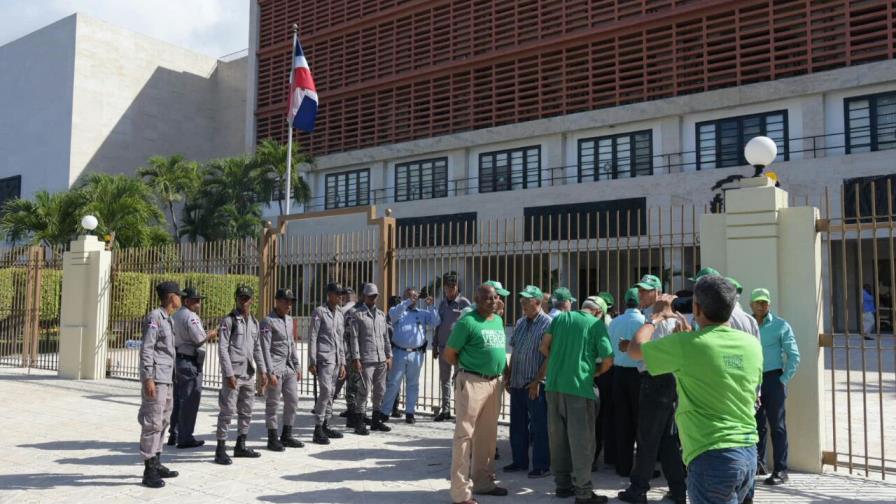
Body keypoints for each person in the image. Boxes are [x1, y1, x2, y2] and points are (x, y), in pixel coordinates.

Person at [627, 275, 763, 504]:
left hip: (712, 456)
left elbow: (634, 349)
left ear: (697, 307)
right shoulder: (751, 344)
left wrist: (655, 317)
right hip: (748, 451)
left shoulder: (686, 346)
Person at [540, 296, 613, 504]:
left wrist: (559, 362)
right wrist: (595, 373)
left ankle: (562, 486)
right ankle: (583, 492)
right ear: (599, 312)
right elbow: (608, 359)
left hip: (553, 386)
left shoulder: (561, 318)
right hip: (579, 389)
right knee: (582, 442)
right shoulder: (596, 325)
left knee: (558, 439)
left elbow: (544, 347)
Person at [444, 283, 510, 504]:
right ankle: (460, 493)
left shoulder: (498, 320)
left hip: (494, 383)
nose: (492, 301)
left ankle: (483, 482)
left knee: (488, 437)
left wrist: (504, 373)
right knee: (464, 437)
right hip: (472, 382)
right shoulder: (467, 322)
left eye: (494, 298)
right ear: (477, 299)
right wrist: (466, 370)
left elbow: (499, 351)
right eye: (486, 298)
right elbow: (450, 353)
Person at [618, 293, 687, 504]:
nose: (641, 294)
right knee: (667, 440)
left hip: (655, 378)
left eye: (646, 290)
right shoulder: (677, 319)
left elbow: (643, 349)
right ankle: (678, 489)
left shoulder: (655, 318)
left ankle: (639, 489)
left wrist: (631, 345)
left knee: (648, 439)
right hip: (669, 381)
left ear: (657, 295)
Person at [751, 288, 800, 484]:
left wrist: (783, 379)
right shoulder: (746, 324)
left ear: (769, 304)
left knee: (777, 426)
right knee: (755, 425)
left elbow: (794, 355)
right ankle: (758, 464)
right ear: (751, 304)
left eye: (764, 302)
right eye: (758, 302)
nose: (761, 305)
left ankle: (781, 470)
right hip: (753, 380)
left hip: (773, 380)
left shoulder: (781, 325)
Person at [214, 285, 268, 465]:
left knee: (247, 411)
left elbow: (258, 348)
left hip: (248, 374)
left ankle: (241, 445)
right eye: (241, 298)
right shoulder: (229, 321)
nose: (244, 301)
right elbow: (222, 348)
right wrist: (228, 373)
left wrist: (263, 370)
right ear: (236, 299)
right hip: (234, 375)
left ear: (252, 300)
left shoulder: (254, 322)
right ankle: (220, 448)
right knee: (227, 411)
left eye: (247, 298)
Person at [137, 281, 184, 488]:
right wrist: (148, 378)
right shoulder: (155, 317)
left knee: (163, 421)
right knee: (152, 423)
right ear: (171, 297)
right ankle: (148, 470)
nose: (180, 299)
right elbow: (147, 348)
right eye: (178, 295)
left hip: (167, 377)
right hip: (156, 378)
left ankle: (156, 461)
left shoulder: (169, 320)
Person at [504, 285, 552, 478]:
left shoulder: (549, 323)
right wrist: (509, 375)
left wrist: (538, 380)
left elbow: (550, 356)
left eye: (527, 300)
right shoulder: (521, 322)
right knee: (517, 425)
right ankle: (519, 461)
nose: (522, 303)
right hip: (517, 382)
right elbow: (514, 351)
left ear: (538, 302)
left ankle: (541, 465)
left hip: (535, 385)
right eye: (522, 300)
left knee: (540, 427)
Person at [611, 281, 653, 477]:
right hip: (638, 375)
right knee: (641, 422)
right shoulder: (645, 323)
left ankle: (623, 466)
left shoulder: (614, 322)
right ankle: (643, 469)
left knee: (621, 421)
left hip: (618, 374)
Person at [382, 287, 440, 424]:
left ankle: (410, 413)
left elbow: (436, 322)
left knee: (413, 384)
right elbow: (393, 315)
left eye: (415, 296)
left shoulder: (422, 313)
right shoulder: (397, 310)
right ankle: (385, 412)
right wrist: (407, 302)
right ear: (404, 297)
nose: (413, 299)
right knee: (393, 383)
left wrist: (431, 306)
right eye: (410, 296)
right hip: (399, 352)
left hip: (417, 354)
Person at [170, 286, 214, 449]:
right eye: (196, 300)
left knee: (178, 399)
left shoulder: (176, 315)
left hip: (178, 359)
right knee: (189, 400)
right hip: (189, 362)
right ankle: (185, 437)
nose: (199, 303)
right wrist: (211, 333)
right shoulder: (191, 317)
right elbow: (198, 340)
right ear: (187, 301)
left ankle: (173, 433)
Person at [261, 288, 304, 451]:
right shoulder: (268, 321)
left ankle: (287, 434)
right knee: (273, 403)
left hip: (289, 368)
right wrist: (269, 372)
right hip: (276, 368)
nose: (289, 304)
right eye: (285, 301)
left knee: (292, 400)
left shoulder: (289, 319)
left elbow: (291, 344)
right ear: (277, 301)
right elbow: (265, 348)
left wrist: (297, 365)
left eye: (291, 301)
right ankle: (272, 437)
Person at [347, 283, 393, 434]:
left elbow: (386, 337)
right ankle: (359, 422)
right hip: (366, 359)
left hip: (381, 358)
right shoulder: (357, 315)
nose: (373, 298)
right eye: (370, 296)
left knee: (380, 390)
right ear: (364, 297)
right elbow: (353, 338)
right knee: (364, 391)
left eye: (375, 296)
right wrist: (356, 358)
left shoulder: (381, 315)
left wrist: (389, 355)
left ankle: (376, 420)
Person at [309, 282, 348, 445]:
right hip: (324, 359)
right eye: (337, 293)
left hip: (336, 360)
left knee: (331, 393)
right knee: (325, 391)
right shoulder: (320, 312)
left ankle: (326, 424)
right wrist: (312, 361)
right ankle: (318, 428)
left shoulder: (339, 314)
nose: (340, 296)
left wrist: (343, 362)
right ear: (329, 294)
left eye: (341, 294)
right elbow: (312, 337)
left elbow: (341, 339)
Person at [433, 273, 472, 422]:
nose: (449, 290)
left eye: (452, 287)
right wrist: (435, 345)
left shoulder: (464, 303)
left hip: (458, 350)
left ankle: (460, 411)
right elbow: (438, 326)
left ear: (456, 287)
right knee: (444, 380)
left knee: (459, 380)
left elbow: (470, 325)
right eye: (447, 287)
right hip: (443, 347)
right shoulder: (442, 304)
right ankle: (446, 409)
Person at [336, 286, 362, 418]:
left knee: (350, 381)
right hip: (351, 351)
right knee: (352, 381)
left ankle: (352, 409)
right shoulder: (350, 310)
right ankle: (353, 410)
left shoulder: (346, 310)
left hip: (350, 351)